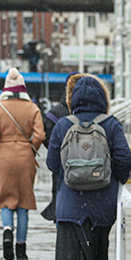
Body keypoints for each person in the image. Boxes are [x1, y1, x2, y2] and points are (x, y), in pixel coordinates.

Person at [46, 73, 131, 260]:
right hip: (102, 201)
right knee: (98, 245)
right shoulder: (111, 124)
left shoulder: (64, 124)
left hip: (70, 202)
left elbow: (52, 162)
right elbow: (125, 158)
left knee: (75, 249)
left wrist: (69, 174)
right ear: (101, 98)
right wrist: (116, 180)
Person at [0, 68, 45, 260]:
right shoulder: (32, 108)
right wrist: (30, 148)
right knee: (24, 203)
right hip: (25, 156)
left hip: (4, 155)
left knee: (6, 198)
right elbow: (39, 135)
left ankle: (7, 231)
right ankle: (21, 248)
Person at [40, 73, 74, 221]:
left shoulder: (55, 113)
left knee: (60, 201)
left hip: (61, 168)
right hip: (91, 171)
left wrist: (57, 153)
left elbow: (46, 135)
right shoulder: (98, 114)